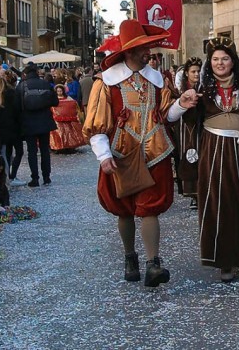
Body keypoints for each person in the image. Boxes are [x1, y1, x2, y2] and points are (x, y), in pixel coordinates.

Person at [83, 19, 194, 288]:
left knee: (150, 209)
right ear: (129, 51)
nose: (150, 53)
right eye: (144, 48)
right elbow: (97, 122)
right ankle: (130, 257)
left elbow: (166, 115)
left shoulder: (158, 80)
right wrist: (103, 154)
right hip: (121, 154)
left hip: (155, 152)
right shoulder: (106, 83)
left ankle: (153, 264)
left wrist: (181, 103)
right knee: (124, 210)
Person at [180, 37, 239, 282]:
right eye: (215, 59)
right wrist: (187, 104)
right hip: (212, 149)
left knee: (235, 203)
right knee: (214, 202)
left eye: (224, 58)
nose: (220, 63)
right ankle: (219, 257)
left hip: (238, 150)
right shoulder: (203, 88)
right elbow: (191, 122)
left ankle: (233, 256)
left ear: (232, 61)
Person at [16, 65, 58, 187]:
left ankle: (35, 178)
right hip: (44, 121)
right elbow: (55, 102)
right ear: (36, 72)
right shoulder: (45, 84)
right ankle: (46, 177)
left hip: (28, 122)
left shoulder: (22, 86)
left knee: (32, 151)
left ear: (25, 73)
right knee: (45, 150)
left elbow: (17, 106)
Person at [175, 57, 203, 208]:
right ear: (187, 73)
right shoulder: (180, 89)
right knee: (186, 157)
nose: (196, 74)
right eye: (193, 71)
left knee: (201, 158)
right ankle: (191, 193)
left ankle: (200, 193)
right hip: (184, 129)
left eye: (198, 71)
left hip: (200, 128)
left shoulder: (204, 88)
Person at [0, 76, 21, 177]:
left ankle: (7, 176)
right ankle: (13, 174)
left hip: (1, 130)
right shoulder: (12, 95)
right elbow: (18, 111)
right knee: (18, 152)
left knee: (6, 153)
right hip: (14, 128)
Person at [50, 84, 87, 152]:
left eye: (60, 91)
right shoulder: (54, 99)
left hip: (69, 120)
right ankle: (60, 146)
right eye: (58, 91)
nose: (59, 93)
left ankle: (70, 146)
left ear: (63, 91)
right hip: (58, 120)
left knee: (69, 133)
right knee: (60, 132)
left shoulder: (68, 98)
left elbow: (74, 105)